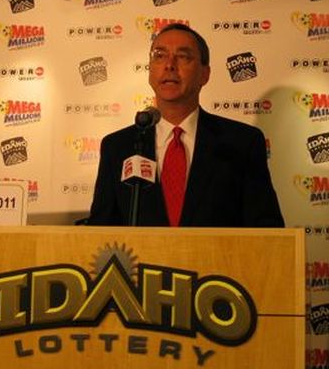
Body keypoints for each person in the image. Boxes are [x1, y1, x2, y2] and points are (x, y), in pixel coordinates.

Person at [88, 23, 284, 227]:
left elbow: (266, 230)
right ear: (150, 71)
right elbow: (100, 231)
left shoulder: (241, 143)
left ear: (204, 74)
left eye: (183, 56)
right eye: (159, 55)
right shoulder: (118, 147)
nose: (169, 65)